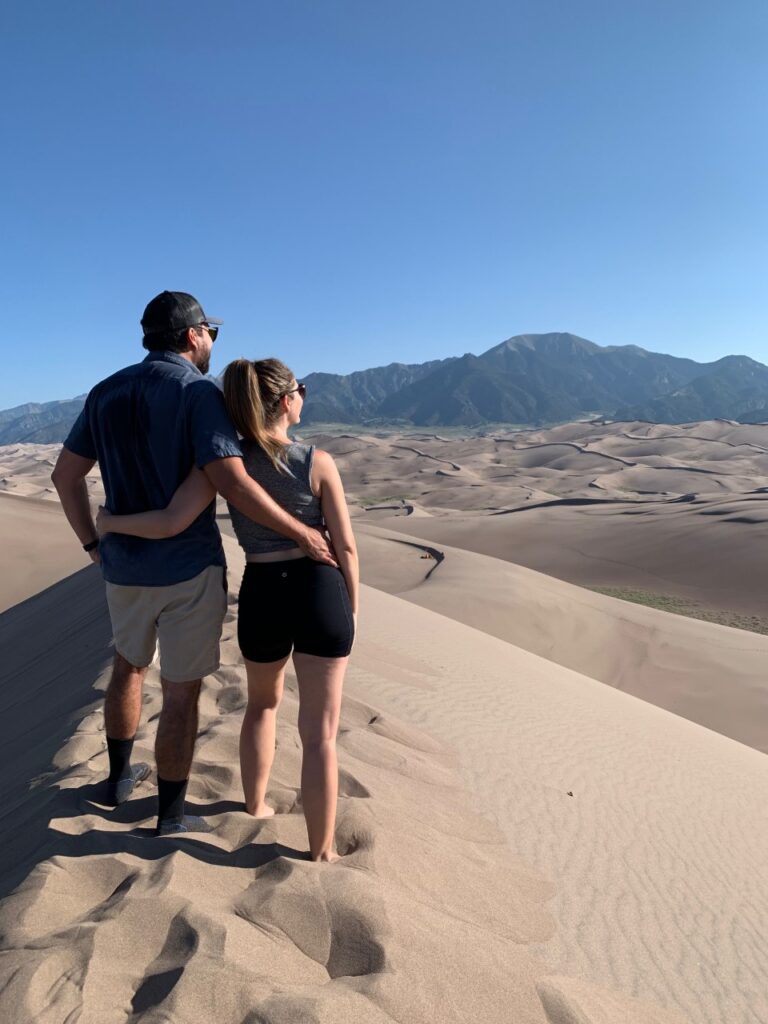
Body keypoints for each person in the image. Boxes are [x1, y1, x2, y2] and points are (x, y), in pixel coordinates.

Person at [52, 292, 336, 837]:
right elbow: (230, 479)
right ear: (191, 336)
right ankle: (171, 814)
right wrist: (300, 530)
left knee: (126, 667)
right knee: (181, 691)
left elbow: (65, 478)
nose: (211, 343)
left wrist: (93, 544)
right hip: (188, 569)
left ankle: (115, 781)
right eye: (211, 333)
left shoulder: (105, 392)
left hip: (123, 570)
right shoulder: (199, 395)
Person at [97, 357, 358, 862]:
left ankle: (256, 804)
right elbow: (345, 548)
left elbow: (171, 521)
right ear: (286, 401)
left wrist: (112, 523)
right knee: (320, 734)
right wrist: (353, 606)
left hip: (263, 592)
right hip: (319, 592)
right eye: (300, 388)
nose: (303, 395)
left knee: (262, 706)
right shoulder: (315, 461)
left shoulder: (224, 465)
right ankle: (321, 850)